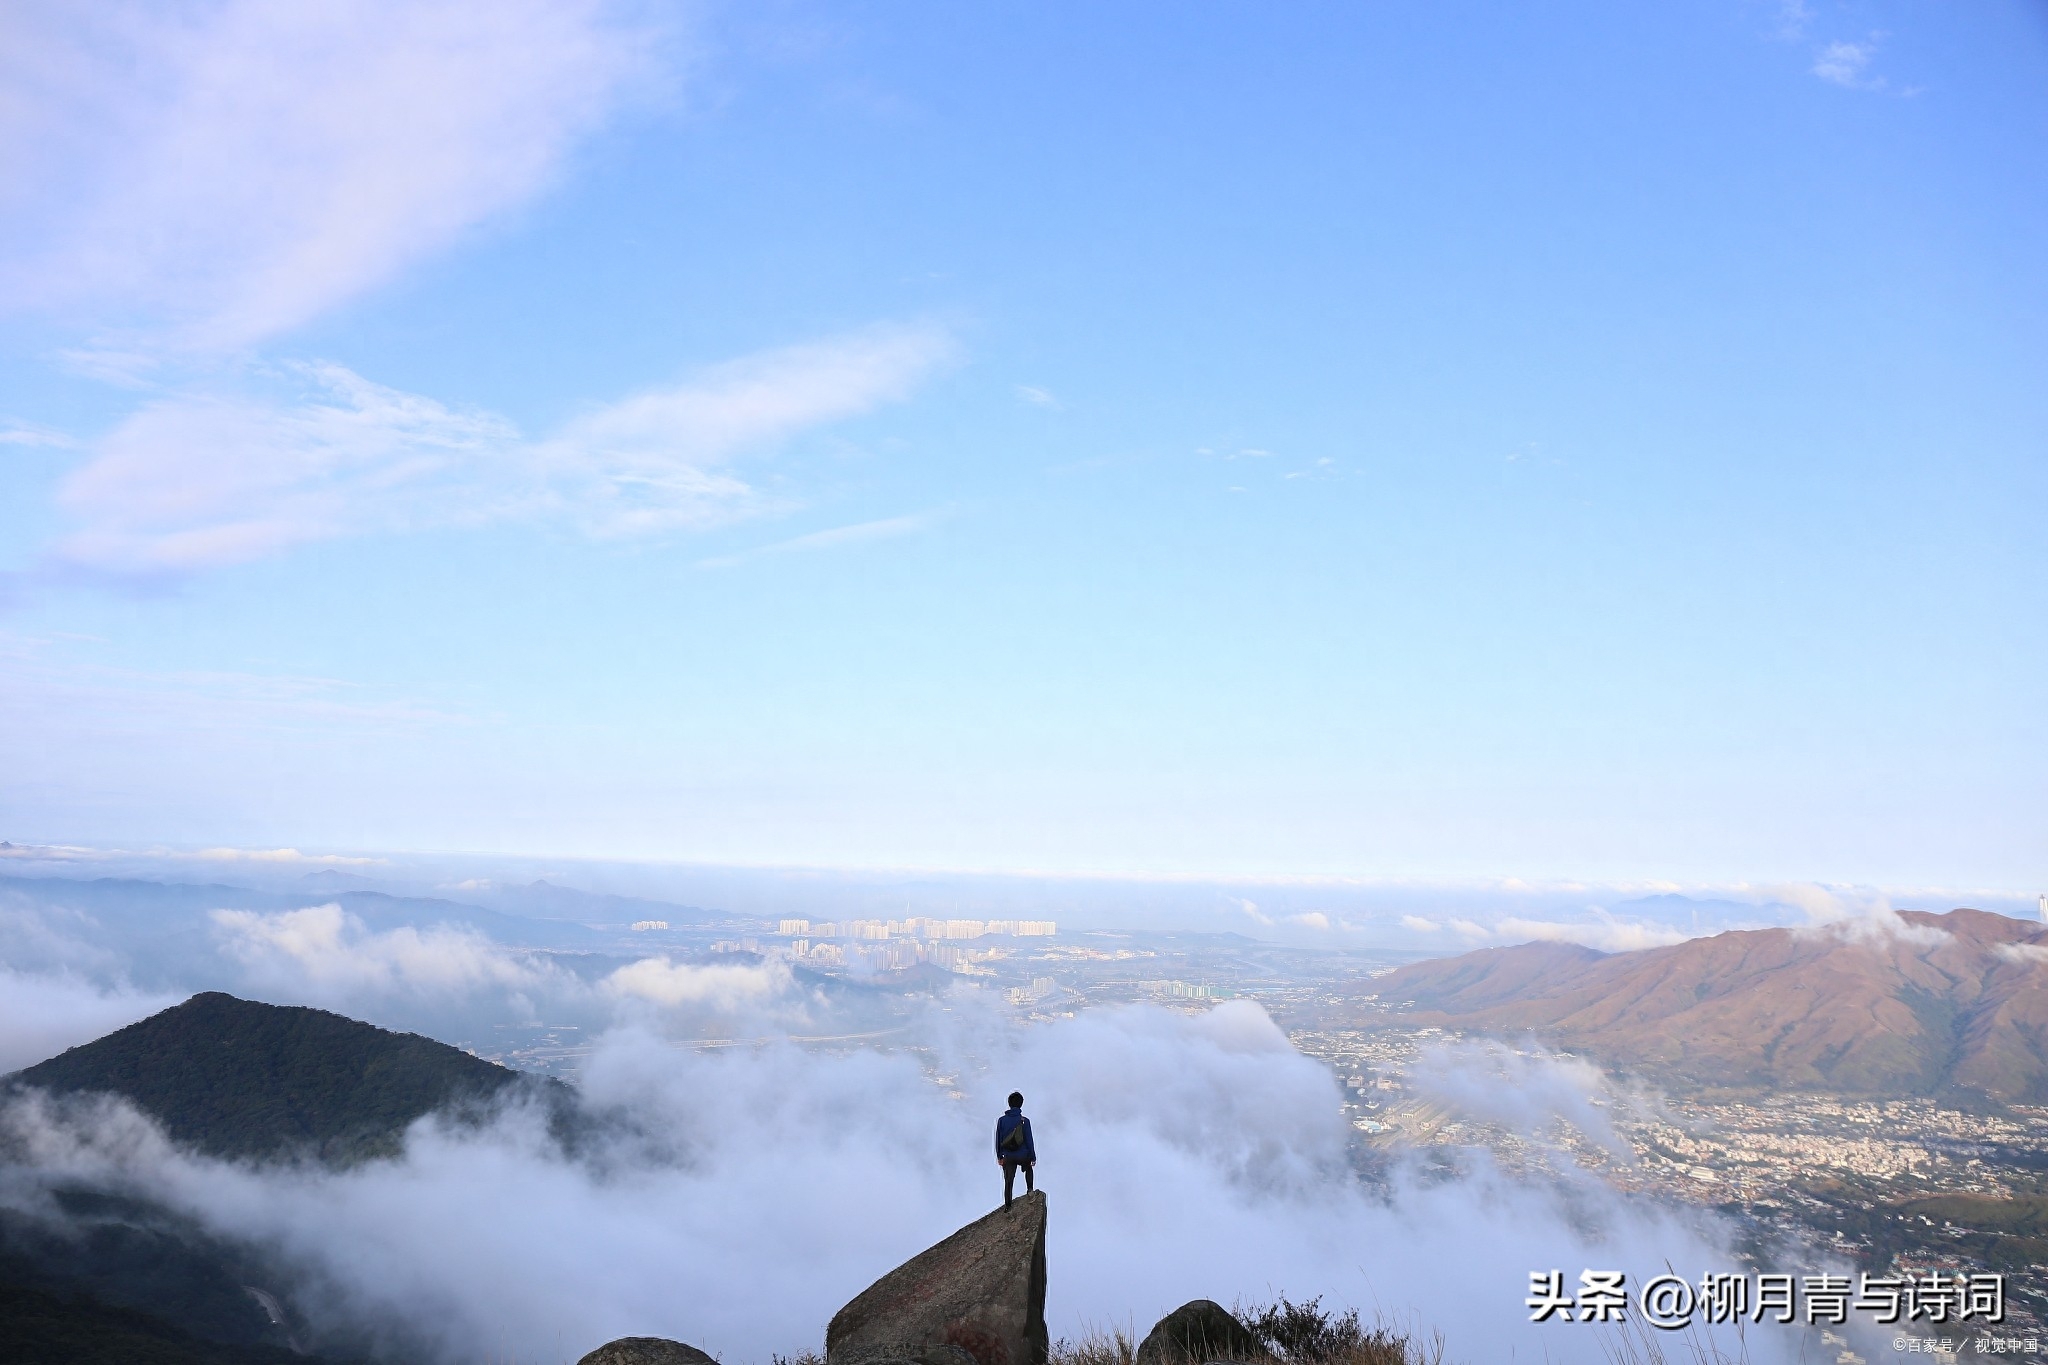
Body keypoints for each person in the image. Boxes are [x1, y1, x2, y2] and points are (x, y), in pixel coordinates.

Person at [993, 1090, 1036, 1209]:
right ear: (1021, 1104)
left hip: (1008, 1155)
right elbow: (1029, 1141)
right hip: (1023, 1155)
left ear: (1009, 1104)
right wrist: (1032, 1157)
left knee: (1008, 1181)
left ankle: (1008, 1207)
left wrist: (999, 1157)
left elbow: (998, 1140)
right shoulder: (1024, 1120)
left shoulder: (1002, 1120)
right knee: (1028, 1168)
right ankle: (1030, 1192)